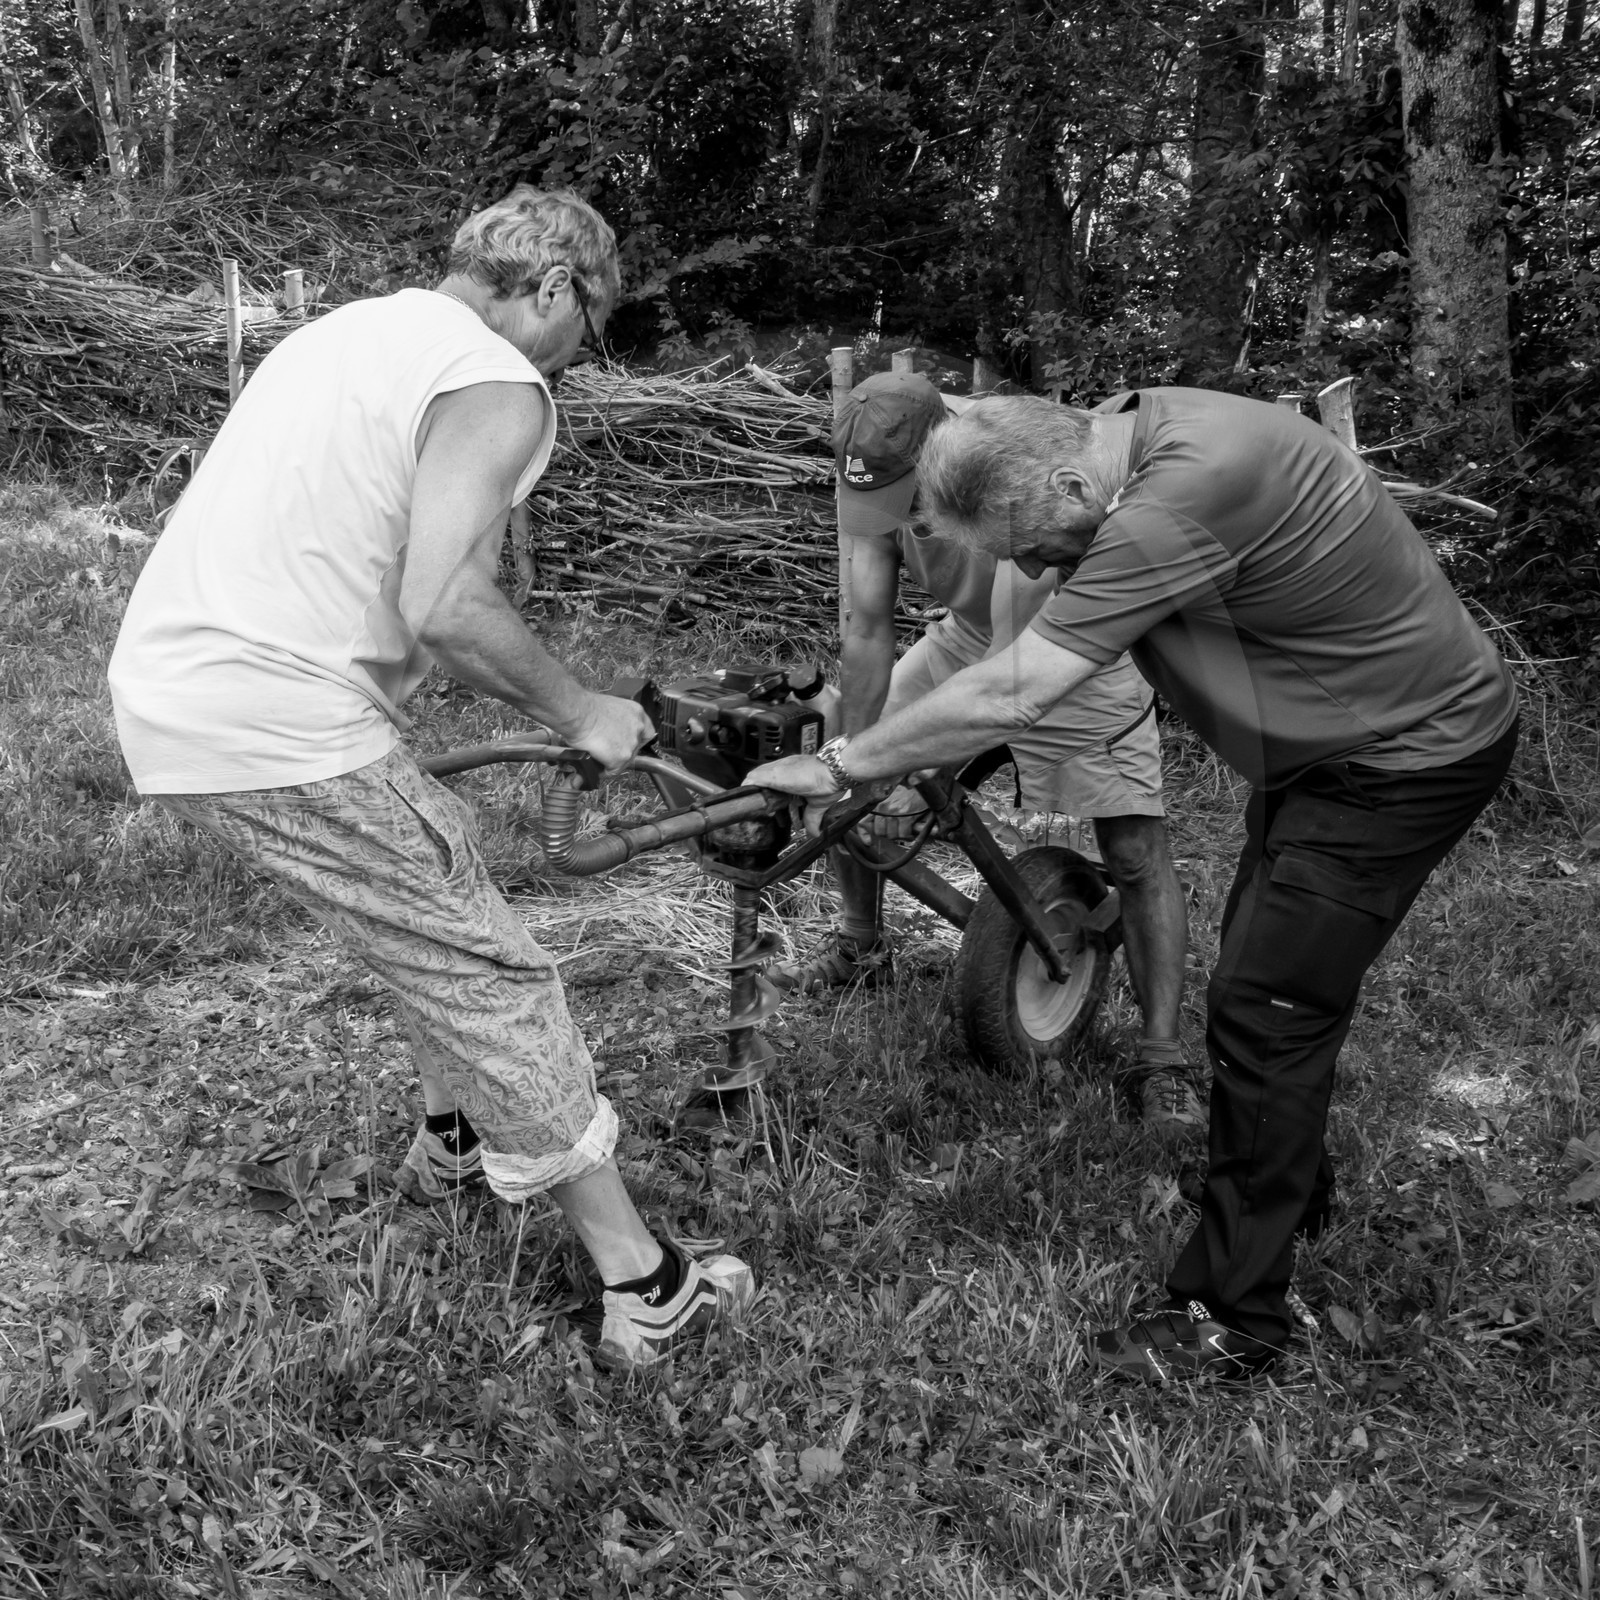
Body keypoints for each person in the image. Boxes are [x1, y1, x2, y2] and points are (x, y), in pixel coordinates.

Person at [107, 186, 754, 1372]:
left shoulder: (345, 333)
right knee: (489, 966)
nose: (580, 354)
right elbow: (447, 604)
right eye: (590, 324)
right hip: (275, 710)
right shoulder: (495, 380)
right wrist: (583, 709)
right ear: (557, 287)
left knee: (431, 877)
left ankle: (453, 1142)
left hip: (182, 680)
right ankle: (643, 1280)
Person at [751, 387, 1517, 1381]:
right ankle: (1289, 1182)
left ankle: (1232, 1319)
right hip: (1336, 755)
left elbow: (1017, 683)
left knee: (1264, 1004)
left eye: (1030, 543)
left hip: (1401, 759)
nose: (1030, 568)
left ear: (1070, 481)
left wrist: (842, 764)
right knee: (1267, 978)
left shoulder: (1173, 501)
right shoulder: (1120, 438)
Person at [801, 371, 1200, 1134]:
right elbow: (866, 628)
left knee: (1135, 849)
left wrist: (909, 770)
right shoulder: (874, 464)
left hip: (1076, 649)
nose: (904, 520)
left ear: (947, 455)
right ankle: (861, 942)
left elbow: (1017, 681)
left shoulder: (1007, 453)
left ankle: (1163, 1055)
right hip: (970, 639)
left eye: (913, 502)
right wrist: (862, 755)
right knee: (848, 751)